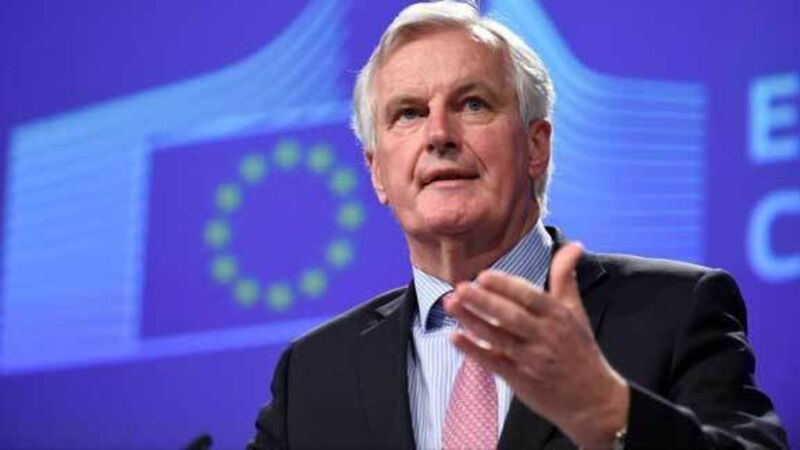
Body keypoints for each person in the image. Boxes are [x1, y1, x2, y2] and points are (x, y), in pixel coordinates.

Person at [249, 1, 787, 448]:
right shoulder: (313, 373)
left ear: (535, 146)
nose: (439, 135)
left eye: (473, 104)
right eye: (409, 113)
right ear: (377, 172)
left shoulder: (675, 310)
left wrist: (608, 412)